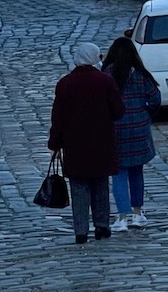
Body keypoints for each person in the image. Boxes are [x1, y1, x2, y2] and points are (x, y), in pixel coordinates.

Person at [46, 41, 125, 243]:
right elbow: (118, 111)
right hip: (101, 142)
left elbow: (58, 117)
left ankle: (81, 231)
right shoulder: (105, 82)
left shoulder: (65, 83)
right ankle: (102, 226)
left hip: (75, 145)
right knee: (100, 185)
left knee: (79, 188)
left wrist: (55, 143)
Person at [102, 36, 161, 232]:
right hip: (139, 129)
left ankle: (121, 217)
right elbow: (155, 98)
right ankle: (138, 213)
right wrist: (145, 114)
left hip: (116, 130)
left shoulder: (107, 74)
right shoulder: (141, 75)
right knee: (137, 171)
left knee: (119, 173)